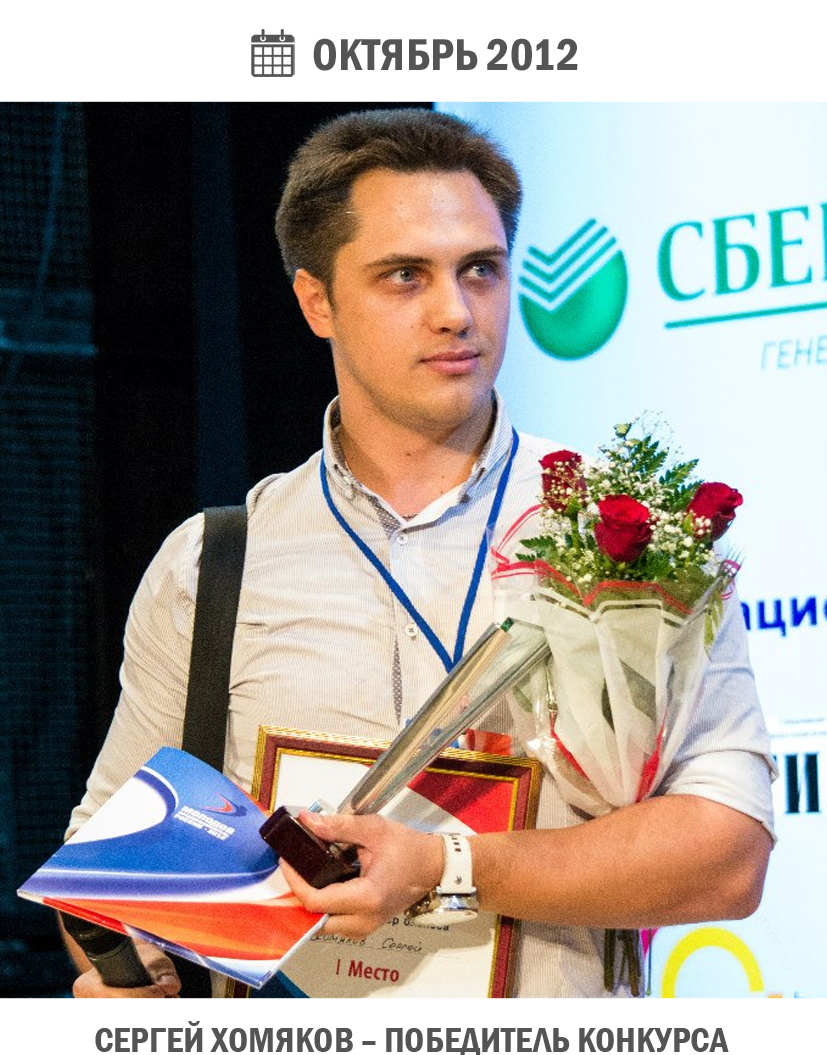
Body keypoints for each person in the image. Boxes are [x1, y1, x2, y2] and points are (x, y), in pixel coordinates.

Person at [65, 108, 774, 998]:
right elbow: (107, 861)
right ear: (315, 301)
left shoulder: (630, 539)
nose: (455, 312)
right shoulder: (214, 563)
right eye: (405, 275)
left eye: (480, 269)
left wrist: (446, 866)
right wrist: (127, 982)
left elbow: (728, 852)